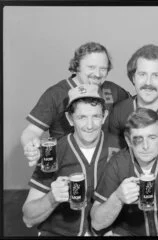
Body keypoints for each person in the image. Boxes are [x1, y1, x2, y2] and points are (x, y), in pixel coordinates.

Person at [22, 84, 125, 236]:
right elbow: (28, 218)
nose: (89, 125)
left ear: (104, 116)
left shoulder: (120, 147)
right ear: (70, 119)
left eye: (95, 116)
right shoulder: (52, 152)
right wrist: (51, 198)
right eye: (82, 117)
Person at [91, 108, 158, 236]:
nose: (145, 146)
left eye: (152, 137)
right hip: (127, 232)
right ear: (128, 140)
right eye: (138, 139)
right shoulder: (118, 163)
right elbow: (97, 223)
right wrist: (117, 197)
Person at [21, 42, 130, 167]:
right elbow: (31, 131)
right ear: (77, 66)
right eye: (91, 67)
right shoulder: (56, 94)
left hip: (105, 167)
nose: (98, 74)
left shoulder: (114, 91)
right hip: (67, 166)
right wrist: (30, 146)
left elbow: (136, 110)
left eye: (103, 68)